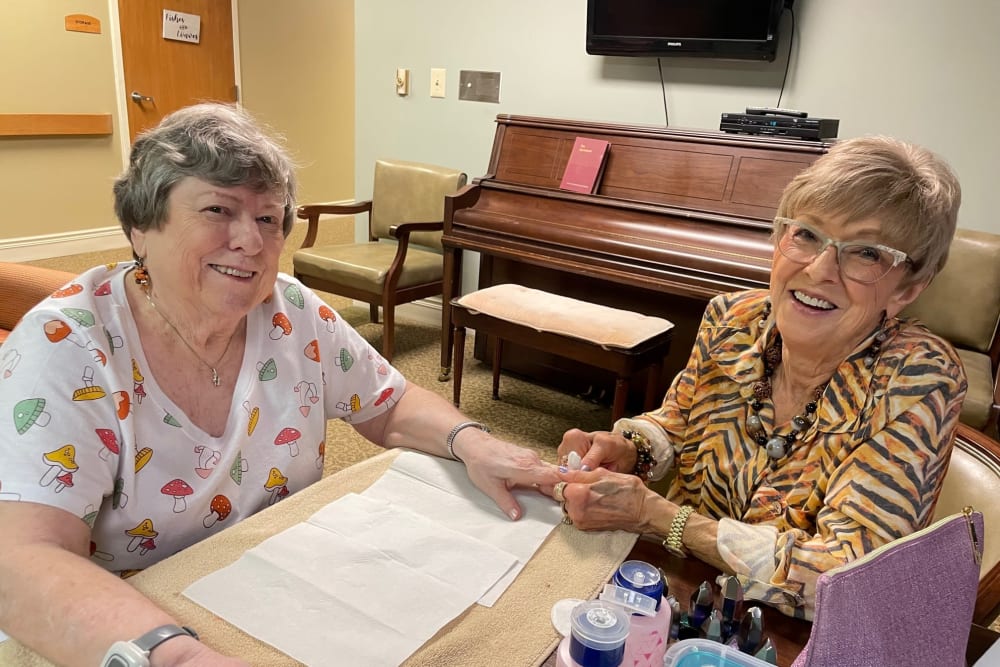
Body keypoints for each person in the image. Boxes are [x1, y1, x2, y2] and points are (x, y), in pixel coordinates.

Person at [0, 103, 559, 666]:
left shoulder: (290, 309)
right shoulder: (66, 347)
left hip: (281, 586)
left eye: (269, 219)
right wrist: (175, 657)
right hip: (124, 624)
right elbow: (21, 559)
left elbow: (390, 403)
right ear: (140, 227)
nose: (251, 240)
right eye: (219, 209)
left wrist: (473, 441)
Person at [552, 136, 967, 619]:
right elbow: (678, 421)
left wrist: (658, 515)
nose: (819, 269)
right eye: (807, 234)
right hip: (682, 593)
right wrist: (632, 448)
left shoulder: (917, 378)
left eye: (866, 253)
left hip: (787, 632)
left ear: (909, 288)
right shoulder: (734, 318)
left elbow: (845, 577)